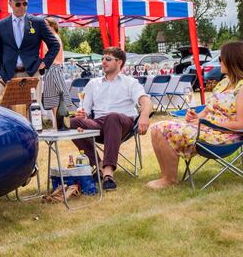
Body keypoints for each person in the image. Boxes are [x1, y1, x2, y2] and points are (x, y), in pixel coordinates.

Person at [148, 41, 243, 189]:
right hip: (206, 129)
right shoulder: (223, 83)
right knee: (156, 128)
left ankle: (169, 180)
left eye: (221, 58)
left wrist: (205, 123)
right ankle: (166, 177)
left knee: (163, 128)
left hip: (224, 136)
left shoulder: (241, 88)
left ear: (232, 60)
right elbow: (207, 110)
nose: (219, 62)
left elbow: (240, 124)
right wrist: (195, 117)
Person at [71, 47, 153, 191]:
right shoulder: (93, 83)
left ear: (119, 62)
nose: (103, 62)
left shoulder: (130, 82)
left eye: (108, 59)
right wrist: (81, 115)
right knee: (73, 122)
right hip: (98, 123)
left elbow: (146, 102)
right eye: (103, 59)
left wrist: (144, 116)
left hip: (122, 123)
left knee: (112, 117)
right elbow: (85, 110)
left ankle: (108, 173)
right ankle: (98, 164)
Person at [0, 0, 59, 84]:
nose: (22, 6)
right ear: (10, 4)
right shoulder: (1, 25)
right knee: (9, 100)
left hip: (31, 74)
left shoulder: (37, 22)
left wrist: (44, 63)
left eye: (25, 3)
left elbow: (55, 45)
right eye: (18, 4)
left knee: (34, 100)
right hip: (8, 76)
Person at [41, 17, 72, 124]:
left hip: (53, 68)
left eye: (46, 25)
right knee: (56, 98)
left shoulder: (52, 38)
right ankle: (58, 123)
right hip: (55, 69)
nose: (44, 27)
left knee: (56, 98)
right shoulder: (55, 37)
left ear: (53, 26)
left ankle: (58, 123)